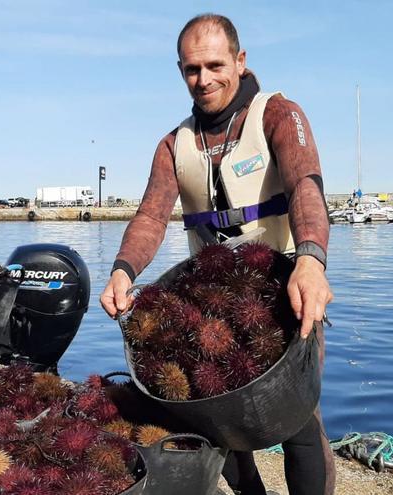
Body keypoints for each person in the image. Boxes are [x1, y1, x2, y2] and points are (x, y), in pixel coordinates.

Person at [99, 14, 335, 495]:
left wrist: (311, 260)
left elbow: (307, 188)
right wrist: (123, 271)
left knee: (298, 422)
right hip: (207, 300)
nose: (203, 79)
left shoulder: (278, 114)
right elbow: (149, 217)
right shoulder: (173, 144)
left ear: (240, 61)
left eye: (214, 65)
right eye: (191, 69)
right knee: (214, 422)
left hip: (282, 293)